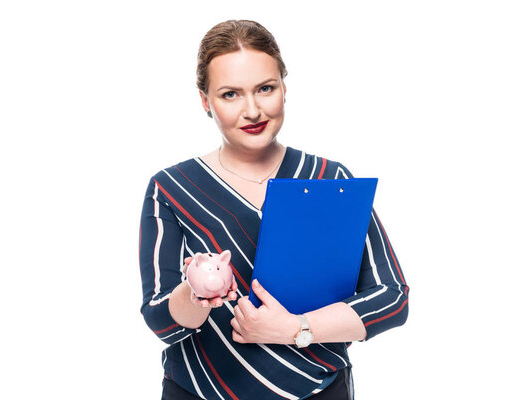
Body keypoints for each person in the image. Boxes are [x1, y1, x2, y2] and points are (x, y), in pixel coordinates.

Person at [138, 19, 410, 400]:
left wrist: (295, 329)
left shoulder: (330, 180)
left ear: (284, 86)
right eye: (230, 94)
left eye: (265, 88)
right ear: (205, 101)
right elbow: (160, 320)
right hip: (200, 391)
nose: (252, 110)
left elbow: (391, 298)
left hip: (319, 391)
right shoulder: (172, 188)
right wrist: (196, 296)